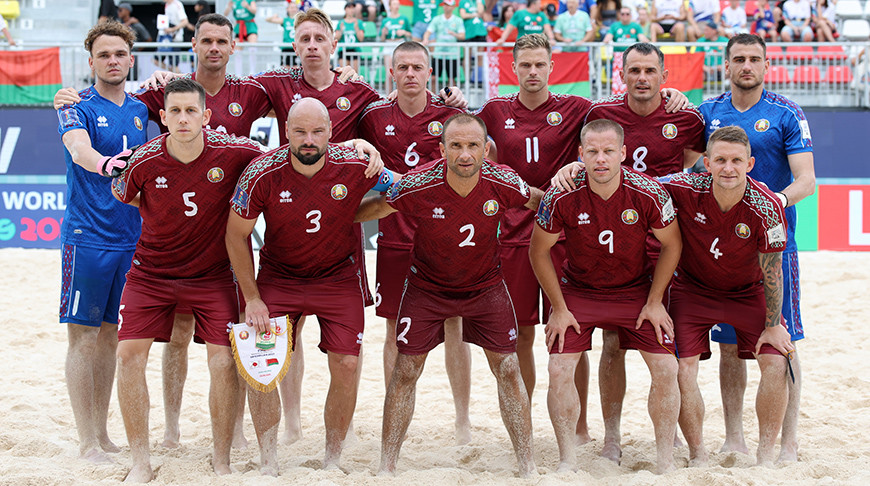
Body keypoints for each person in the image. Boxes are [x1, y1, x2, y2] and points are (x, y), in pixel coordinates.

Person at [475, 34, 687, 444]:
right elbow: (459, 132)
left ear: (552, 67)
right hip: (516, 237)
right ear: (513, 68)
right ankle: (531, 424)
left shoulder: (578, 109)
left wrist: (670, 92)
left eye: (540, 64)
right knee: (522, 333)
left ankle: (582, 426)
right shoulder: (494, 111)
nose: (532, 72)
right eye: (525, 65)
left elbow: (627, 109)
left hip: (568, 236)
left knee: (574, 333)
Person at [354, 113, 541, 478]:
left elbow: (539, 201)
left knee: (507, 366)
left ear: (486, 150)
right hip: (427, 288)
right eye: (455, 146)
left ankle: (527, 465)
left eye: (473, 146)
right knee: (406, 369)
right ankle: (386, 466)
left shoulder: (503, 182)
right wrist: (335, 215)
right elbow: (375, 207)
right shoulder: (418, 183)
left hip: (486, 287)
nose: (465, 154)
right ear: (442, 150)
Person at [225, 97, 392, 473]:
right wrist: (251, 298)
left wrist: (371, 205)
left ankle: (333, 458)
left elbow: (399, 192)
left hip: (338, 277)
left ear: (332, 133)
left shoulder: (356, 165)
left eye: (317, 131)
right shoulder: (260, 173)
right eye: (300, 131)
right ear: (286, 132)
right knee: (261, 366)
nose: (309, 140)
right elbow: (236, 237)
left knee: (347, 365)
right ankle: (268, 460)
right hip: (280, 277)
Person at [109, 78, 264, 482]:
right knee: (127, 357)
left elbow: (283, 160)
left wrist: (354, 147)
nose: (182, 118)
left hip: (212, 277)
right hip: (151, 274)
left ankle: (222, 459)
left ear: (206, 116)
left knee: (223, 361)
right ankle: (141, 461)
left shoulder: (236, 152)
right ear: (161, 117)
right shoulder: (144, 159)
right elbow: (121, 190)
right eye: (174, 111)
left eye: (190, 110)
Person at [530, 119, 682, 475]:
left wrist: (655, 300)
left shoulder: (648, 192)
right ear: (581, 154)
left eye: (609, 151)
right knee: (558, 368)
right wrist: (559, 308)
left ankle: (665, 462)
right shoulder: (561, 194)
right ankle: (568, 459)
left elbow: (672, 244)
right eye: (593, 152)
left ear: (623, 153)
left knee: (667, 367)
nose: (601, 159)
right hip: (579, 292)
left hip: (634, 291)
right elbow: (538, 252)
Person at [698, 33, 815, 463]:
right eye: (738, 59)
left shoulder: (786, 113)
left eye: (754, 59)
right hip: (720, 250)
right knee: (730, 346)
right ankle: (733, 437)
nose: (746, 65)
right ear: (726, 65)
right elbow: (679, 164)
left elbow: (807, 180)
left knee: (783, 340)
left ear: (766, 65)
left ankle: (789, 440)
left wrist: (773, 202)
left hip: (775, 246)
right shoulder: (707, 112)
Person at [357, 41, 472, 444]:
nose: (409, 74)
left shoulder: (451, 115)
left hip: (444, 238)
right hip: (393, 239)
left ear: (429, 73)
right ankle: (396, 413)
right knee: (393, 330)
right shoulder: (373, 117)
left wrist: (465, 104)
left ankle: (462, 419)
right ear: (391, 74)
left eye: (417, 67)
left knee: (455, 326)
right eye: (402, 67)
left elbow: (476, 154)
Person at [664, 125, 793, 467]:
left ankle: (765, 455)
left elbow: (773, 271)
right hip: (693, 290)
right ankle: (697, 455)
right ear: (705, 163)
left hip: (747, 293)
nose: (728, 168)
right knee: (681, 368)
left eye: (736, 160)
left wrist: (773, 325)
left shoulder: (767, 206)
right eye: (720, 160)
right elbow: (635, 182)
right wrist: (574, 168)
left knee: (777, 361)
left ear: (750, 163)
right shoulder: (683, 186)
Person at [56, 20, 147, 465]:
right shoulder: (76, 106)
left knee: (111, 336)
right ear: (90, 61)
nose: (112, 61)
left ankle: (104, 434)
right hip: (87, 237)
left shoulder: (142, 107)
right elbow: (78, 148)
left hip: (132, 239)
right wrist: (107, 163)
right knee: (83, 338)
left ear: (130, 59)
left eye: (119, 54)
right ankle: (86, 439)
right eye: (104, 55)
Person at [423, 0, 466, 87]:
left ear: (453, 7)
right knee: (433, 78)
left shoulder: (458, 20)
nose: (446, 7)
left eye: (449, 5)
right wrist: (426, 39)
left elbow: (462, 36)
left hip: (452, 54)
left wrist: (454, 34)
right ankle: (433, 98)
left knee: (451, 79)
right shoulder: (437, 19)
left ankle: (449, 98)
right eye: (445, 5)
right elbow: (428, 31)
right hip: (438, 53)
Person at [157, 0, 190, 71]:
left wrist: (173, 29)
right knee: (156, 60)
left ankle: (181, 79)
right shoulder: (167, 5)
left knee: (174, 65)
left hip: (175, 39)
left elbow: (185, 21)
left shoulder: (177, 4)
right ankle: (175, 74)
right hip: (167, 39)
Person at [266, 1, 300, 67]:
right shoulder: (285, 20)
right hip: (286, 46)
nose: (293, 9)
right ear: (287, 9)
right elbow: (268, 20)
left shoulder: (299, 20)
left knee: (296, 68)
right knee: (285, 68)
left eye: (294, 7)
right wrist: (274, 16)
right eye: (291, 7)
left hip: (296, 47)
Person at [336, 2, 365, 73]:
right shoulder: (341, 23)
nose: (351, 10)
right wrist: (341, 30)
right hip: (343, 49)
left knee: (354, 73)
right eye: (349, 8)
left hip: (355, 49)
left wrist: (357, 28)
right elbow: (336, 37)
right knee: (343, 72)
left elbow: (361, 38)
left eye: (353, 8)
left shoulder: (359, 22)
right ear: (345, 9)